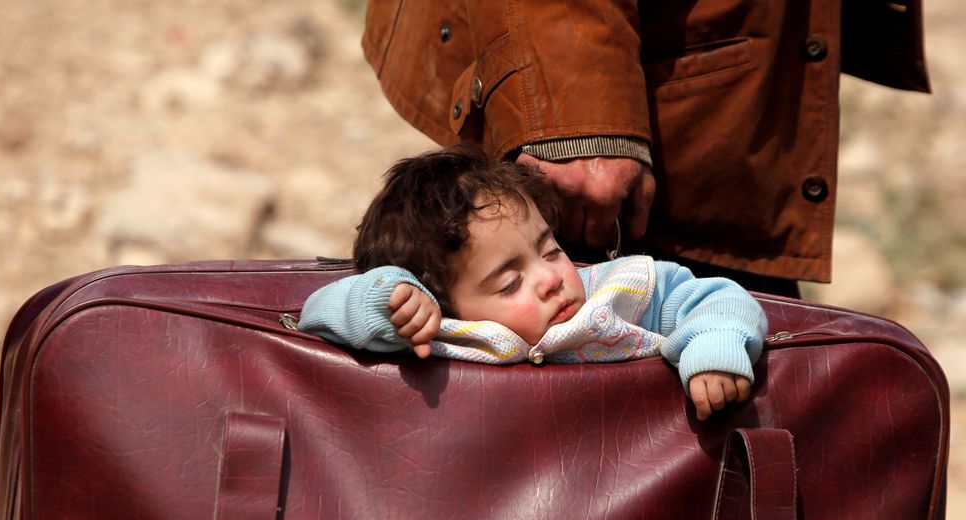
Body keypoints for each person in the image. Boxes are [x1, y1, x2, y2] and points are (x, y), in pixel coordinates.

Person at [360, 1, 930, 296]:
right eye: (512, 281)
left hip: (719, 115)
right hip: (603, 148)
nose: (548, 280)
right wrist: (575, 115)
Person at [300, 146, 768, 421]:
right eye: (509, 283)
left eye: (550, 250)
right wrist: (390, 300)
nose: (549, 278)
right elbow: (315, 316)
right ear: (445, 304)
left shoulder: (619, 291)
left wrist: (713, 348)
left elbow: (719, 297)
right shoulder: (441, 332)